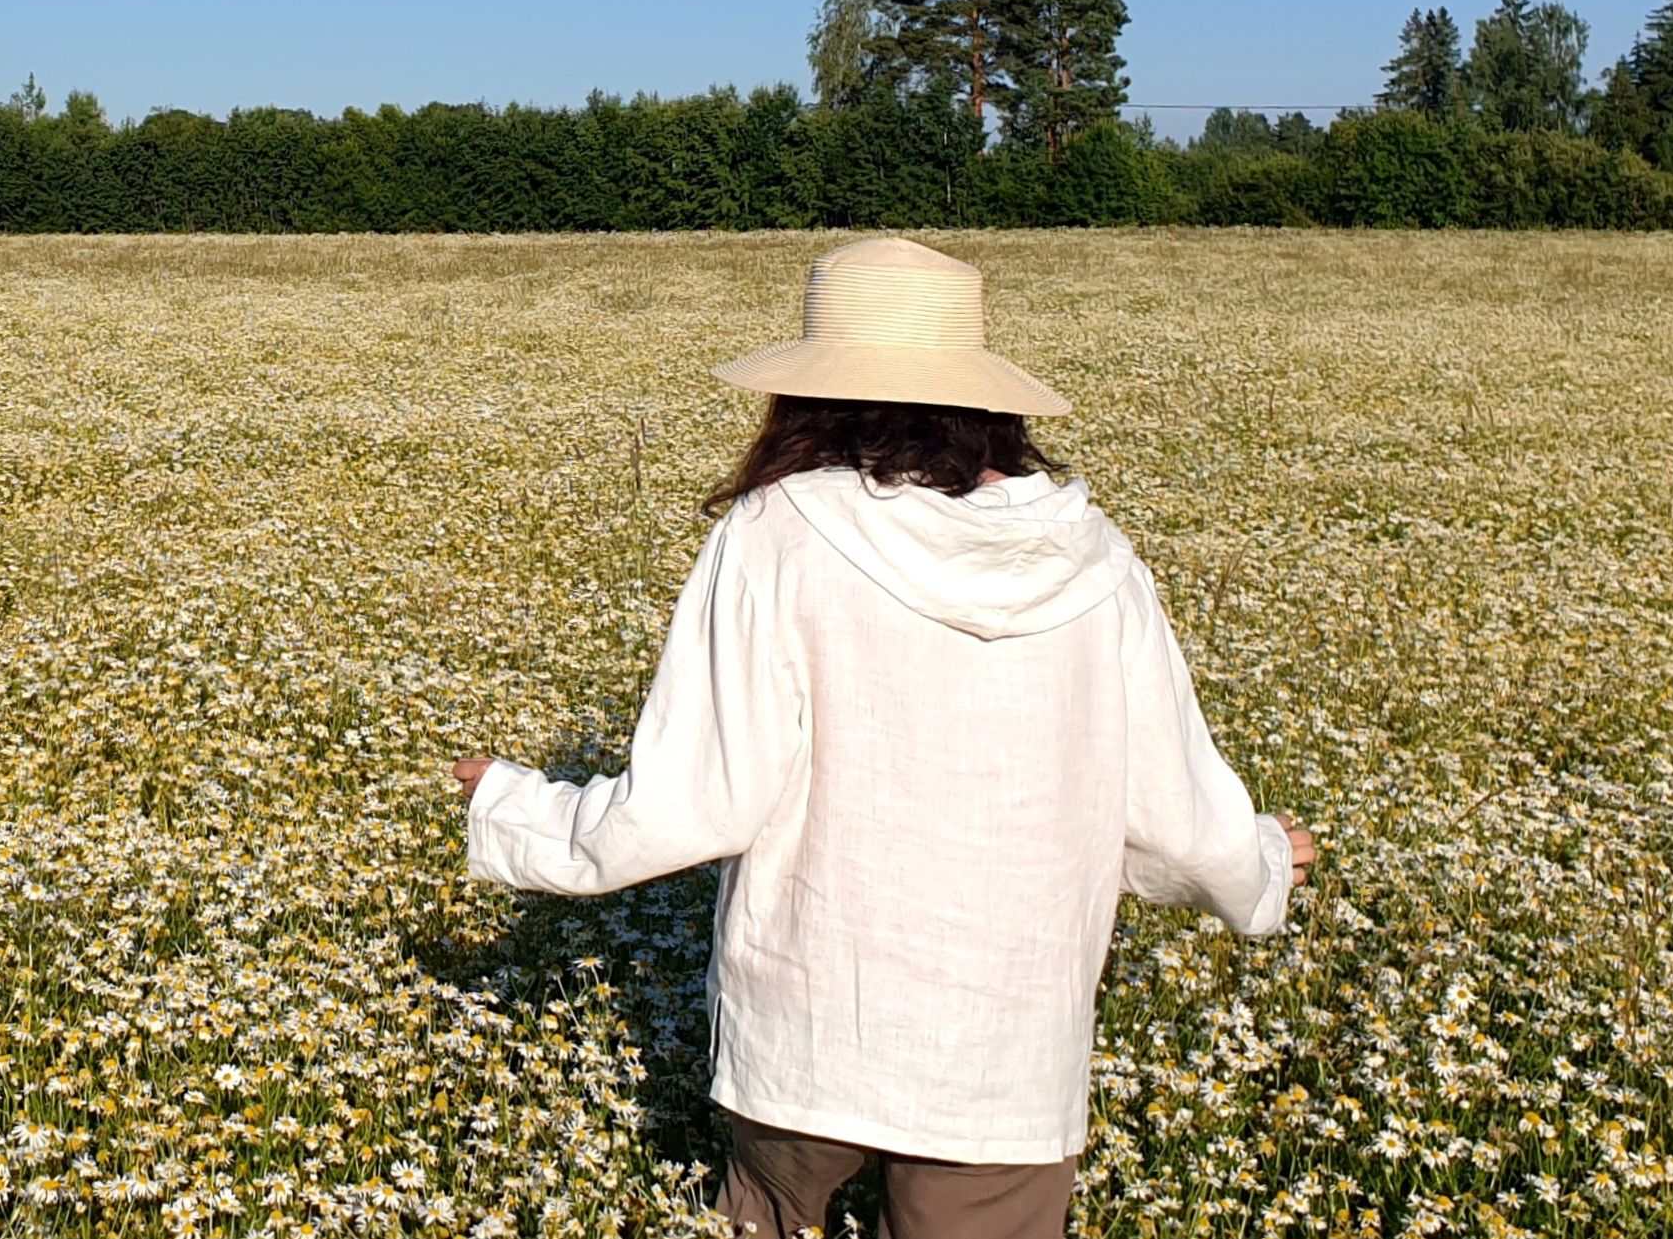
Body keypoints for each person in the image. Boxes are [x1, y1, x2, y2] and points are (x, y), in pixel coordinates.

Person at [453, 235, 1315, 1239]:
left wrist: (520, 812)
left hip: (808, 1033)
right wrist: (1256, 865)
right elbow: (1170, 817)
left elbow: (696, 798)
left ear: (808, 393)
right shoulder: (1095, 560)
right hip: (1006, 1060)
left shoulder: (779, 530)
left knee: (765, 1216)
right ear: (986, 398)